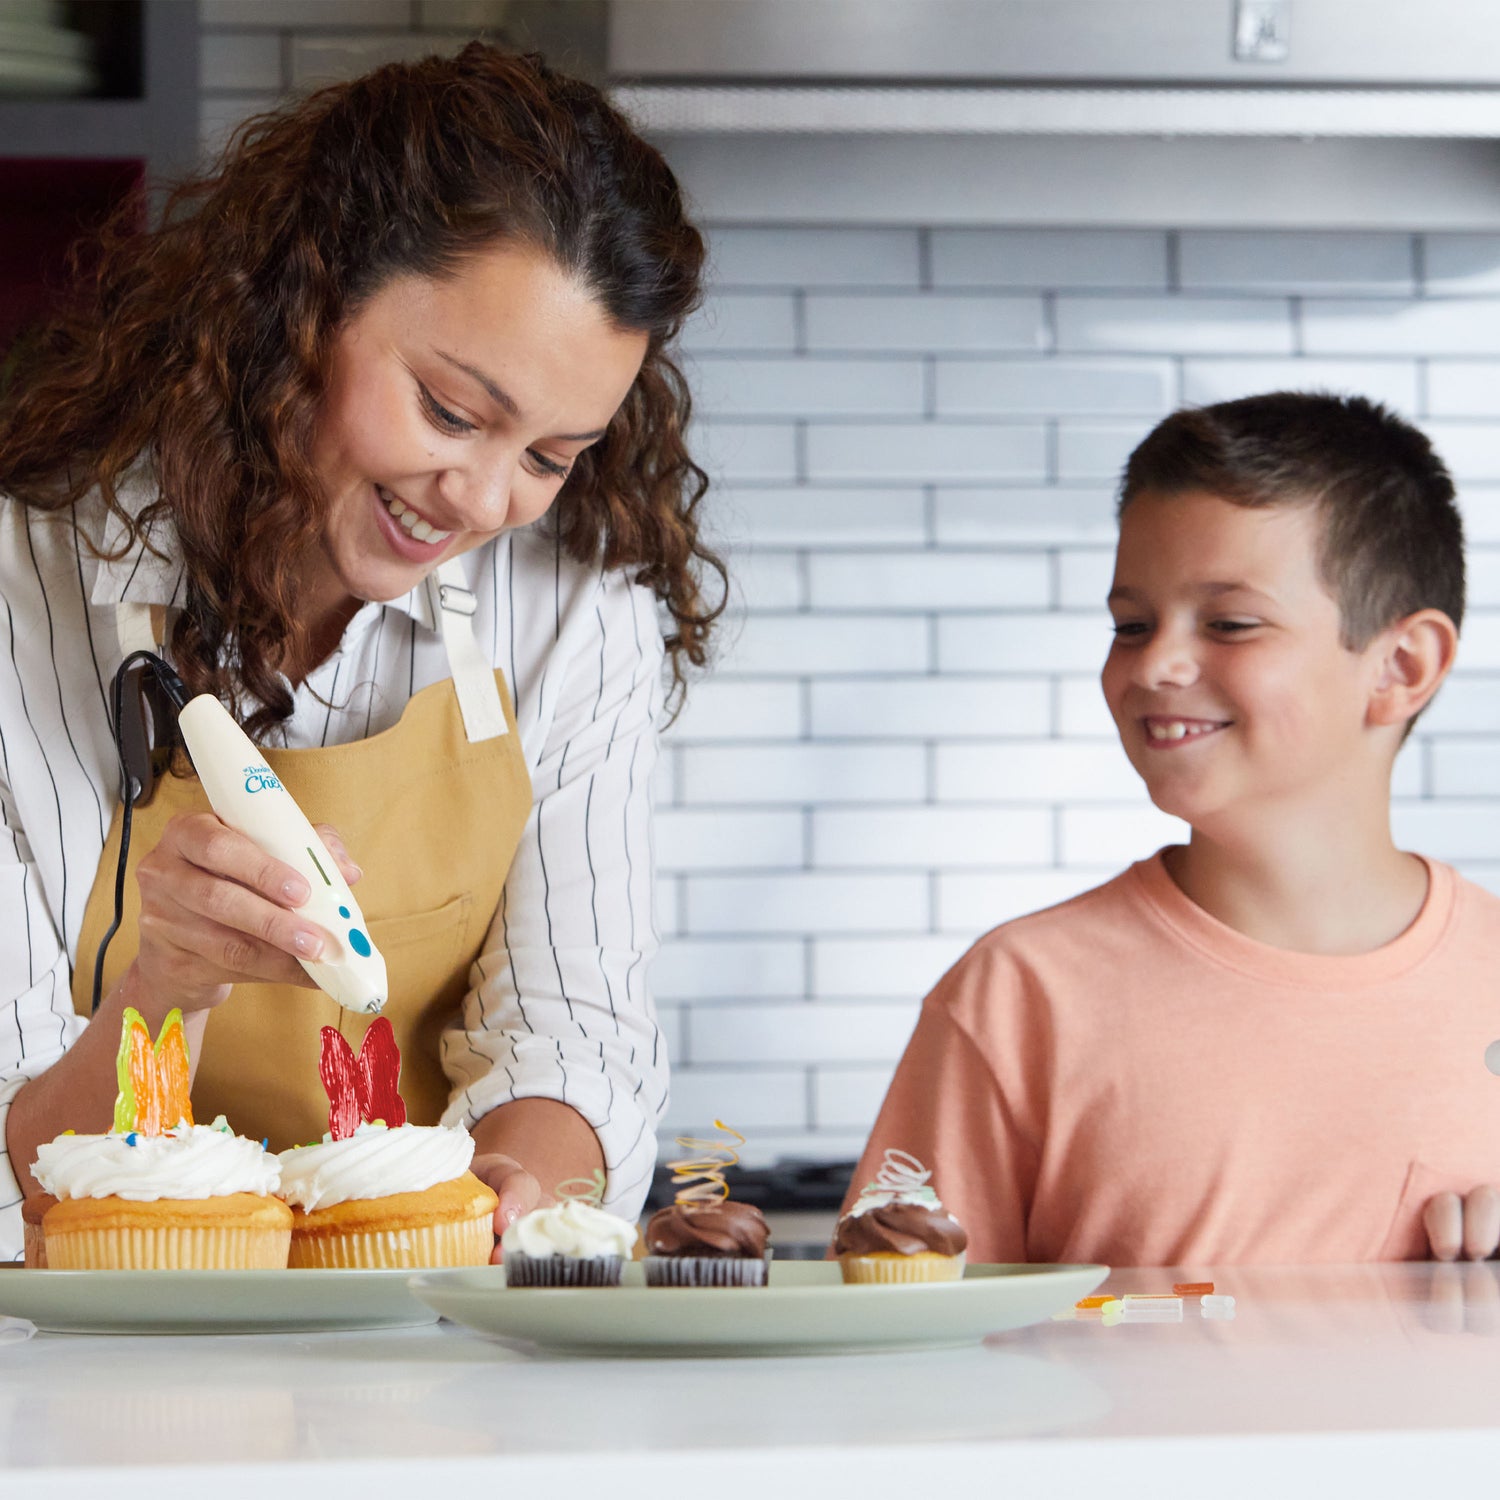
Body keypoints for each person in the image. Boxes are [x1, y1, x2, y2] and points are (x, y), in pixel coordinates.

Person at [0, 43, 723, 1263]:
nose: (485, 499)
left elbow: (576, 1034)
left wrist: (511, 1189)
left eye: (551, 456)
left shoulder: (569, 615)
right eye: (451, 411)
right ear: (301, 305)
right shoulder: (26, 588)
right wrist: (161, 985)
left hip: (423, 1334)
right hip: (83, 1357)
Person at [845, 392, 1500, 1266]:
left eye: (1230, 623)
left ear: (1401, 666)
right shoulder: (1019, 998)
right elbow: (896, 1353)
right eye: (1130, 625)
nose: (1155, 664)